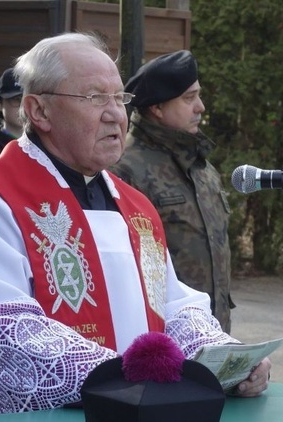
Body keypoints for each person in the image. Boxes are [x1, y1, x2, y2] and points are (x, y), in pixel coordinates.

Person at [0, 32, 270, 418]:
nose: (116, 114)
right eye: (95, 97)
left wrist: (228, 361)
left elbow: (173, 307)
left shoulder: (135, 206)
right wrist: (126, 377)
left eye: (119, 98)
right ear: (39, 111)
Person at [109, 50, 234, 332]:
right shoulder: (123, 169)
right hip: (160, 337)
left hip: (212, 331)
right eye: (189, 98)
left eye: (198, 95)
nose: (200, 107)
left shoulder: (198, 163)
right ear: (157, 108)